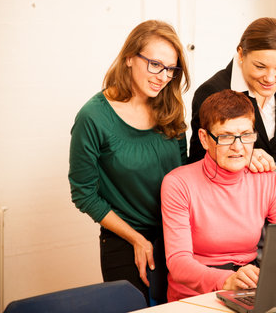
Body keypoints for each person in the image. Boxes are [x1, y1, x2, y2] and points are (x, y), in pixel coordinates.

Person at [68, 20, 190, 304]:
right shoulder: (93, 117)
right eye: (155, 64)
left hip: (175, 234)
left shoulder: (170, 107)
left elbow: (184, 175)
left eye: (171, 69)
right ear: (129, 58)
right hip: (123, 240)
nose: (163, 77)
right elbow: (83, 193)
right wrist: (136, 238)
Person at [161, 89, 276, 302]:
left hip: (249, 287)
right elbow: (178, 262)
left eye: (246, 136)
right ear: (204, 139)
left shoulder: (266, 179)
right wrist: (227, 280)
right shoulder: (178, 183)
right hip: (195, 295)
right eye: (226, 137)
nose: (238, 147)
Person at [189, 17, 276, 169]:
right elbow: (198, 161)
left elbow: (273, 141)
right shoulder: (211, 92)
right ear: (241, 54)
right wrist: (244, 156)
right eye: (260, 66)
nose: (270, 78)